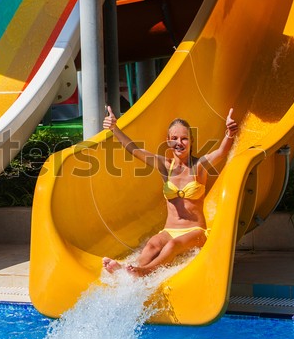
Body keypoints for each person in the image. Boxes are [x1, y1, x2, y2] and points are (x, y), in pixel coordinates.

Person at [102, 106, 238, 277]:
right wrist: (115, 128)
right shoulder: (165, 166)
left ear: (191, 141)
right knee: (152, 244)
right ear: (168, 141)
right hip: (169, 230)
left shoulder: (199, 166)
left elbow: (221, 152)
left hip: (195, 232)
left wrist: (230, 133)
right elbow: (135, 150)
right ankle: (128, 270)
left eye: (184, 138)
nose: (179, 143)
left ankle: (144, 271)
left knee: (173, 245)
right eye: (174, 138)